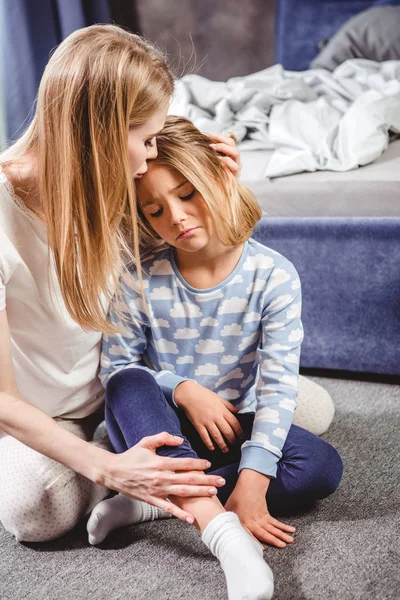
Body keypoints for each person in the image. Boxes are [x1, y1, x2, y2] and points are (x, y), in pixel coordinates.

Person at [0, 24, 248, 544]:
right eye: (146, 139)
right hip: (55, 414)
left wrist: (217, 193)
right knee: (33, 511)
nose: (151, 157)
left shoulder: (116, 180)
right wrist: (108, 470)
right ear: (104, 134)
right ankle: (131, 466)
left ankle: (148, 458)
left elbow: (199, 256)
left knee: (308, 412)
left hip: (135, 379)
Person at [87, 116, 343, 600]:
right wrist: (181, 388)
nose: (176, 217)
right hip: (154, 427)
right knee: (127, 384)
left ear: (219, 178)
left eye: (187, 194)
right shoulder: (139, 276)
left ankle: (153, 502)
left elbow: (278, 382)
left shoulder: (274, 276)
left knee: (320, 465)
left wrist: (252, 480)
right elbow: (118, 369)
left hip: (225, 428)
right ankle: (221, 533)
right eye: (155, 210)